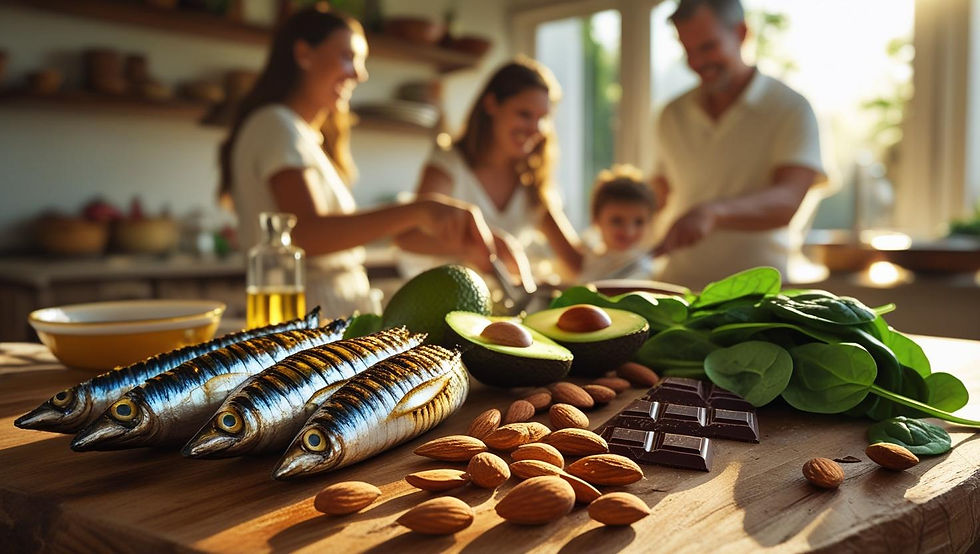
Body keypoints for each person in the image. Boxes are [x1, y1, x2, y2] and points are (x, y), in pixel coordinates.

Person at [218, 7, 496, 318]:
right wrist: (420, 209)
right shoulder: (276, 124)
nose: (360, 74)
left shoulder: (299, 134)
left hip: (328, 317)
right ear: (303, 54)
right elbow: (306, 234)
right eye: (348, 57)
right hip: (311, 321)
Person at [651, 0, 826, 288]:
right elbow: (660, 192)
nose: (696, 62)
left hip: (758, 297)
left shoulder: (790, 108)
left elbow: (787, 201)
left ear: (742, 33)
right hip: (678, 289)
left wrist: (712, 213)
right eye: (688, 50)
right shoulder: (671, 114)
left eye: (707, 47)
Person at [394, 58, 582, 284]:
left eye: (543, 118)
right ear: (492, 104)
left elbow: (575, 260)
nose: (535, 128)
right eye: (524, 114)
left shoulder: (532, 180)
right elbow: (407, 237)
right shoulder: (449, 164)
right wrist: (474, 244)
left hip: (505, 309)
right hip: (443, 300)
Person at [576, 165, 660, 282]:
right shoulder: (587, 258)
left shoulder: (643, 266)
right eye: (617, 221)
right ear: (596, 219)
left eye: (639, 222)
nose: (629, 231)